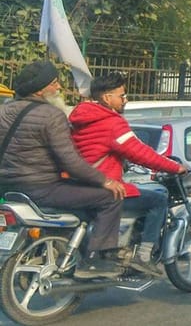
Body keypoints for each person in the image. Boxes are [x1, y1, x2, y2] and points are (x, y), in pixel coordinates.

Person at [0, 61, 126, 279]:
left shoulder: (3, 110)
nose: (59, 88)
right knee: (110, 197)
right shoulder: (51, 115)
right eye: (55, 83)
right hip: (42, 188)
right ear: (41, 89)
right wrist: (104, 180)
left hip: (7, 188)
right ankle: (96, 261)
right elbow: (70, 161)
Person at [69, 73, 186, 274]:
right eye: (122, 96)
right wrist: (175, 167)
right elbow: (140, 152)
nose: (126, 100)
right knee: (158, 199)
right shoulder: (112, 123)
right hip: (104, 187)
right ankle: (144, 256)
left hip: (79, 186)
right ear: (107, 98)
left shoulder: (80, 118)